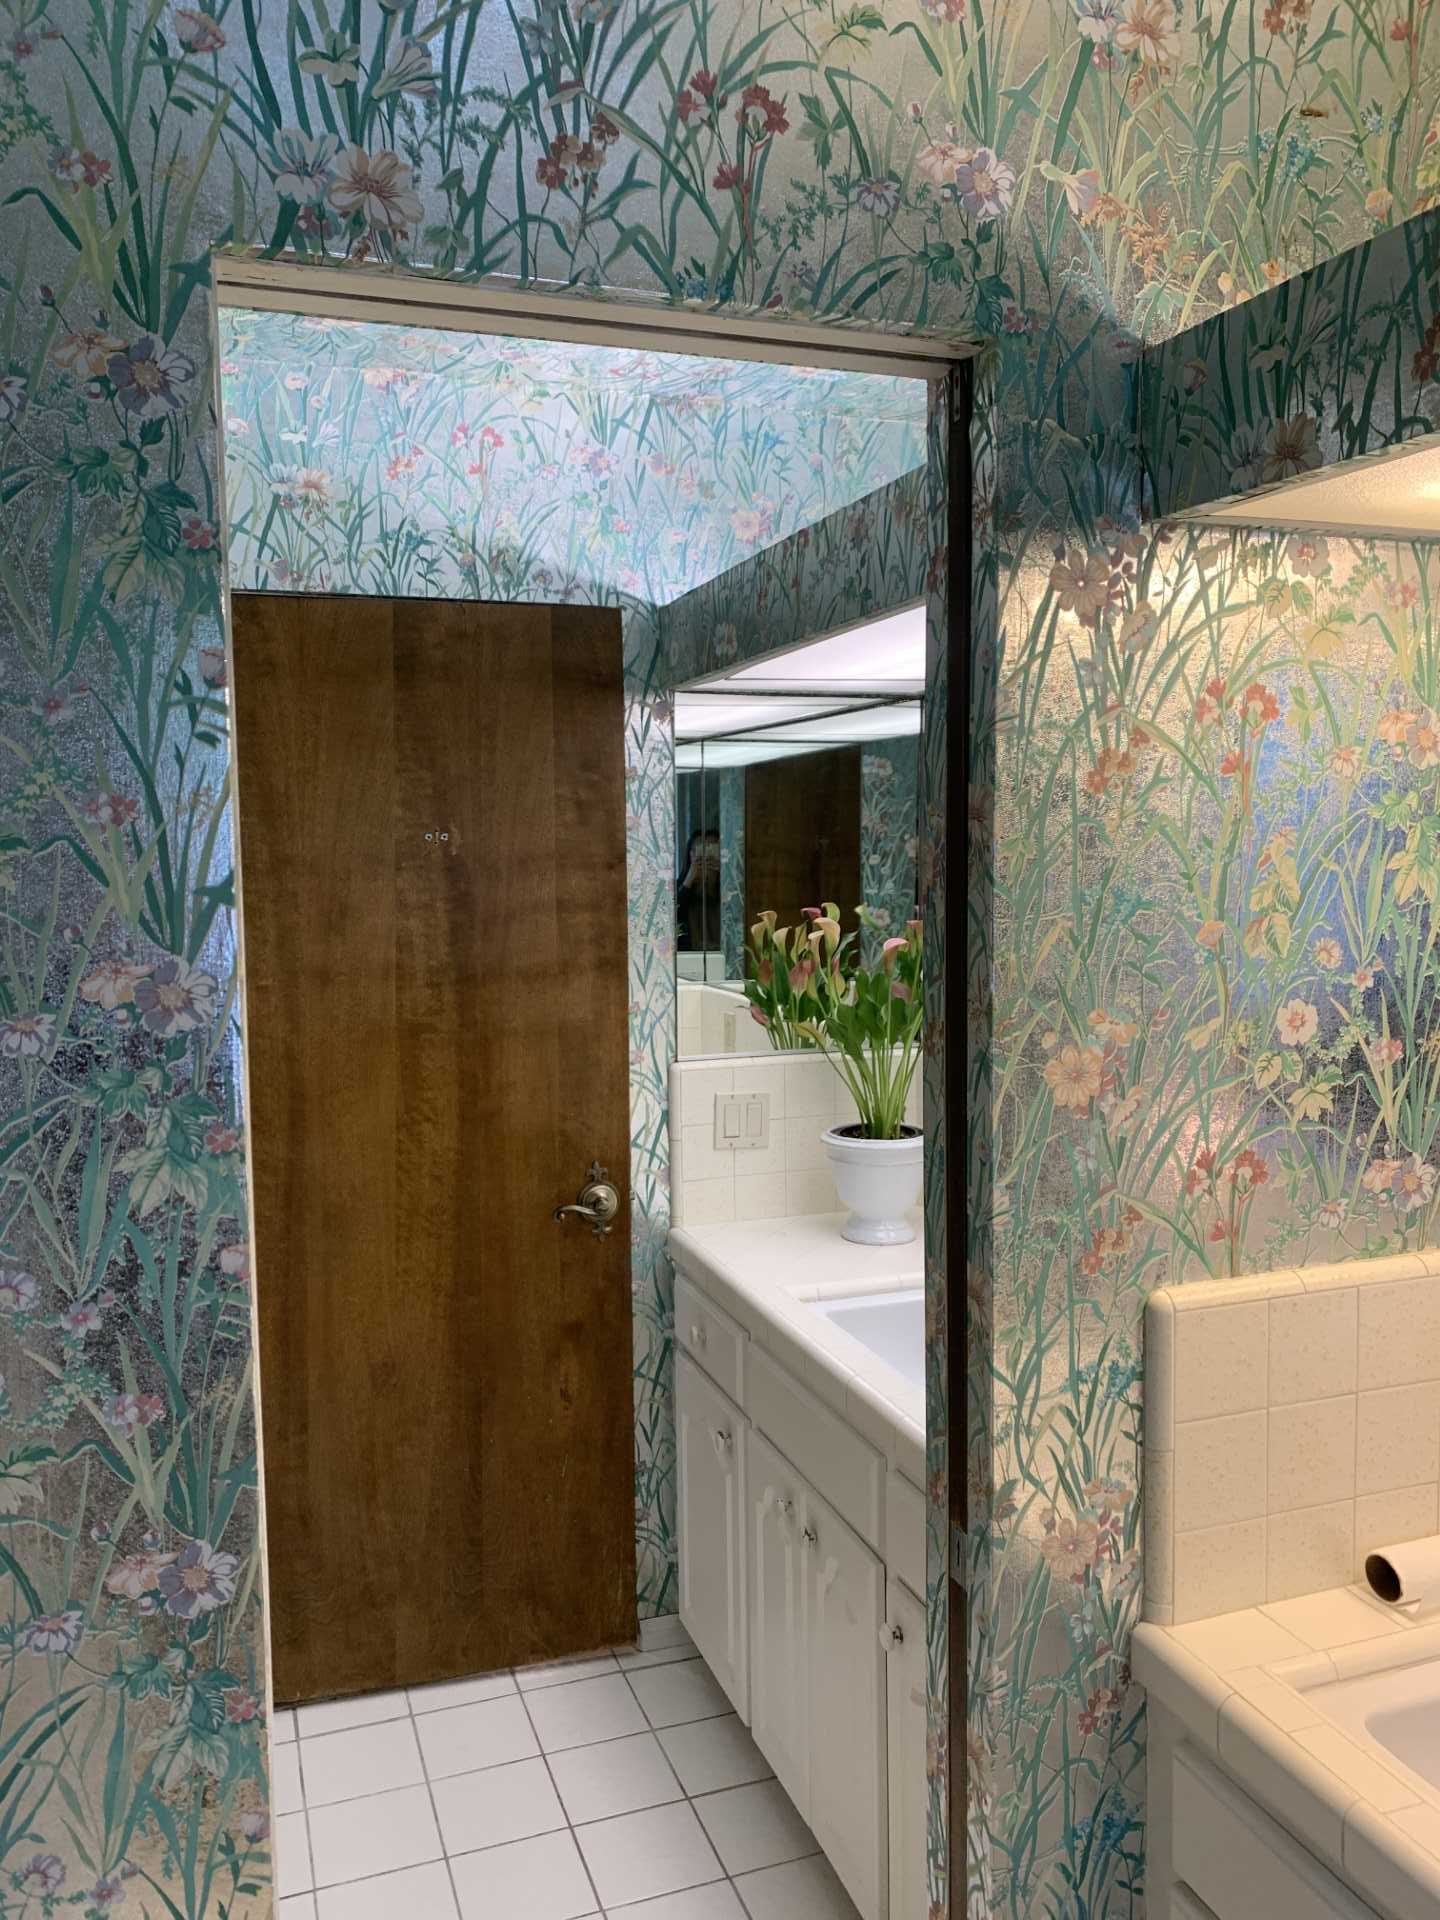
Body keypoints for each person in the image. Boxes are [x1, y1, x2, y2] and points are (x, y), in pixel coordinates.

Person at [677, 828, 721, 951]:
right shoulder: (678, 887)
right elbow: (669, 918)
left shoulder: (730, 888)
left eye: (712, 850)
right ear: (690, 854)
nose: (706, 856)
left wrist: (726, 874)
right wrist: (690, 878)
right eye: (701, 850)